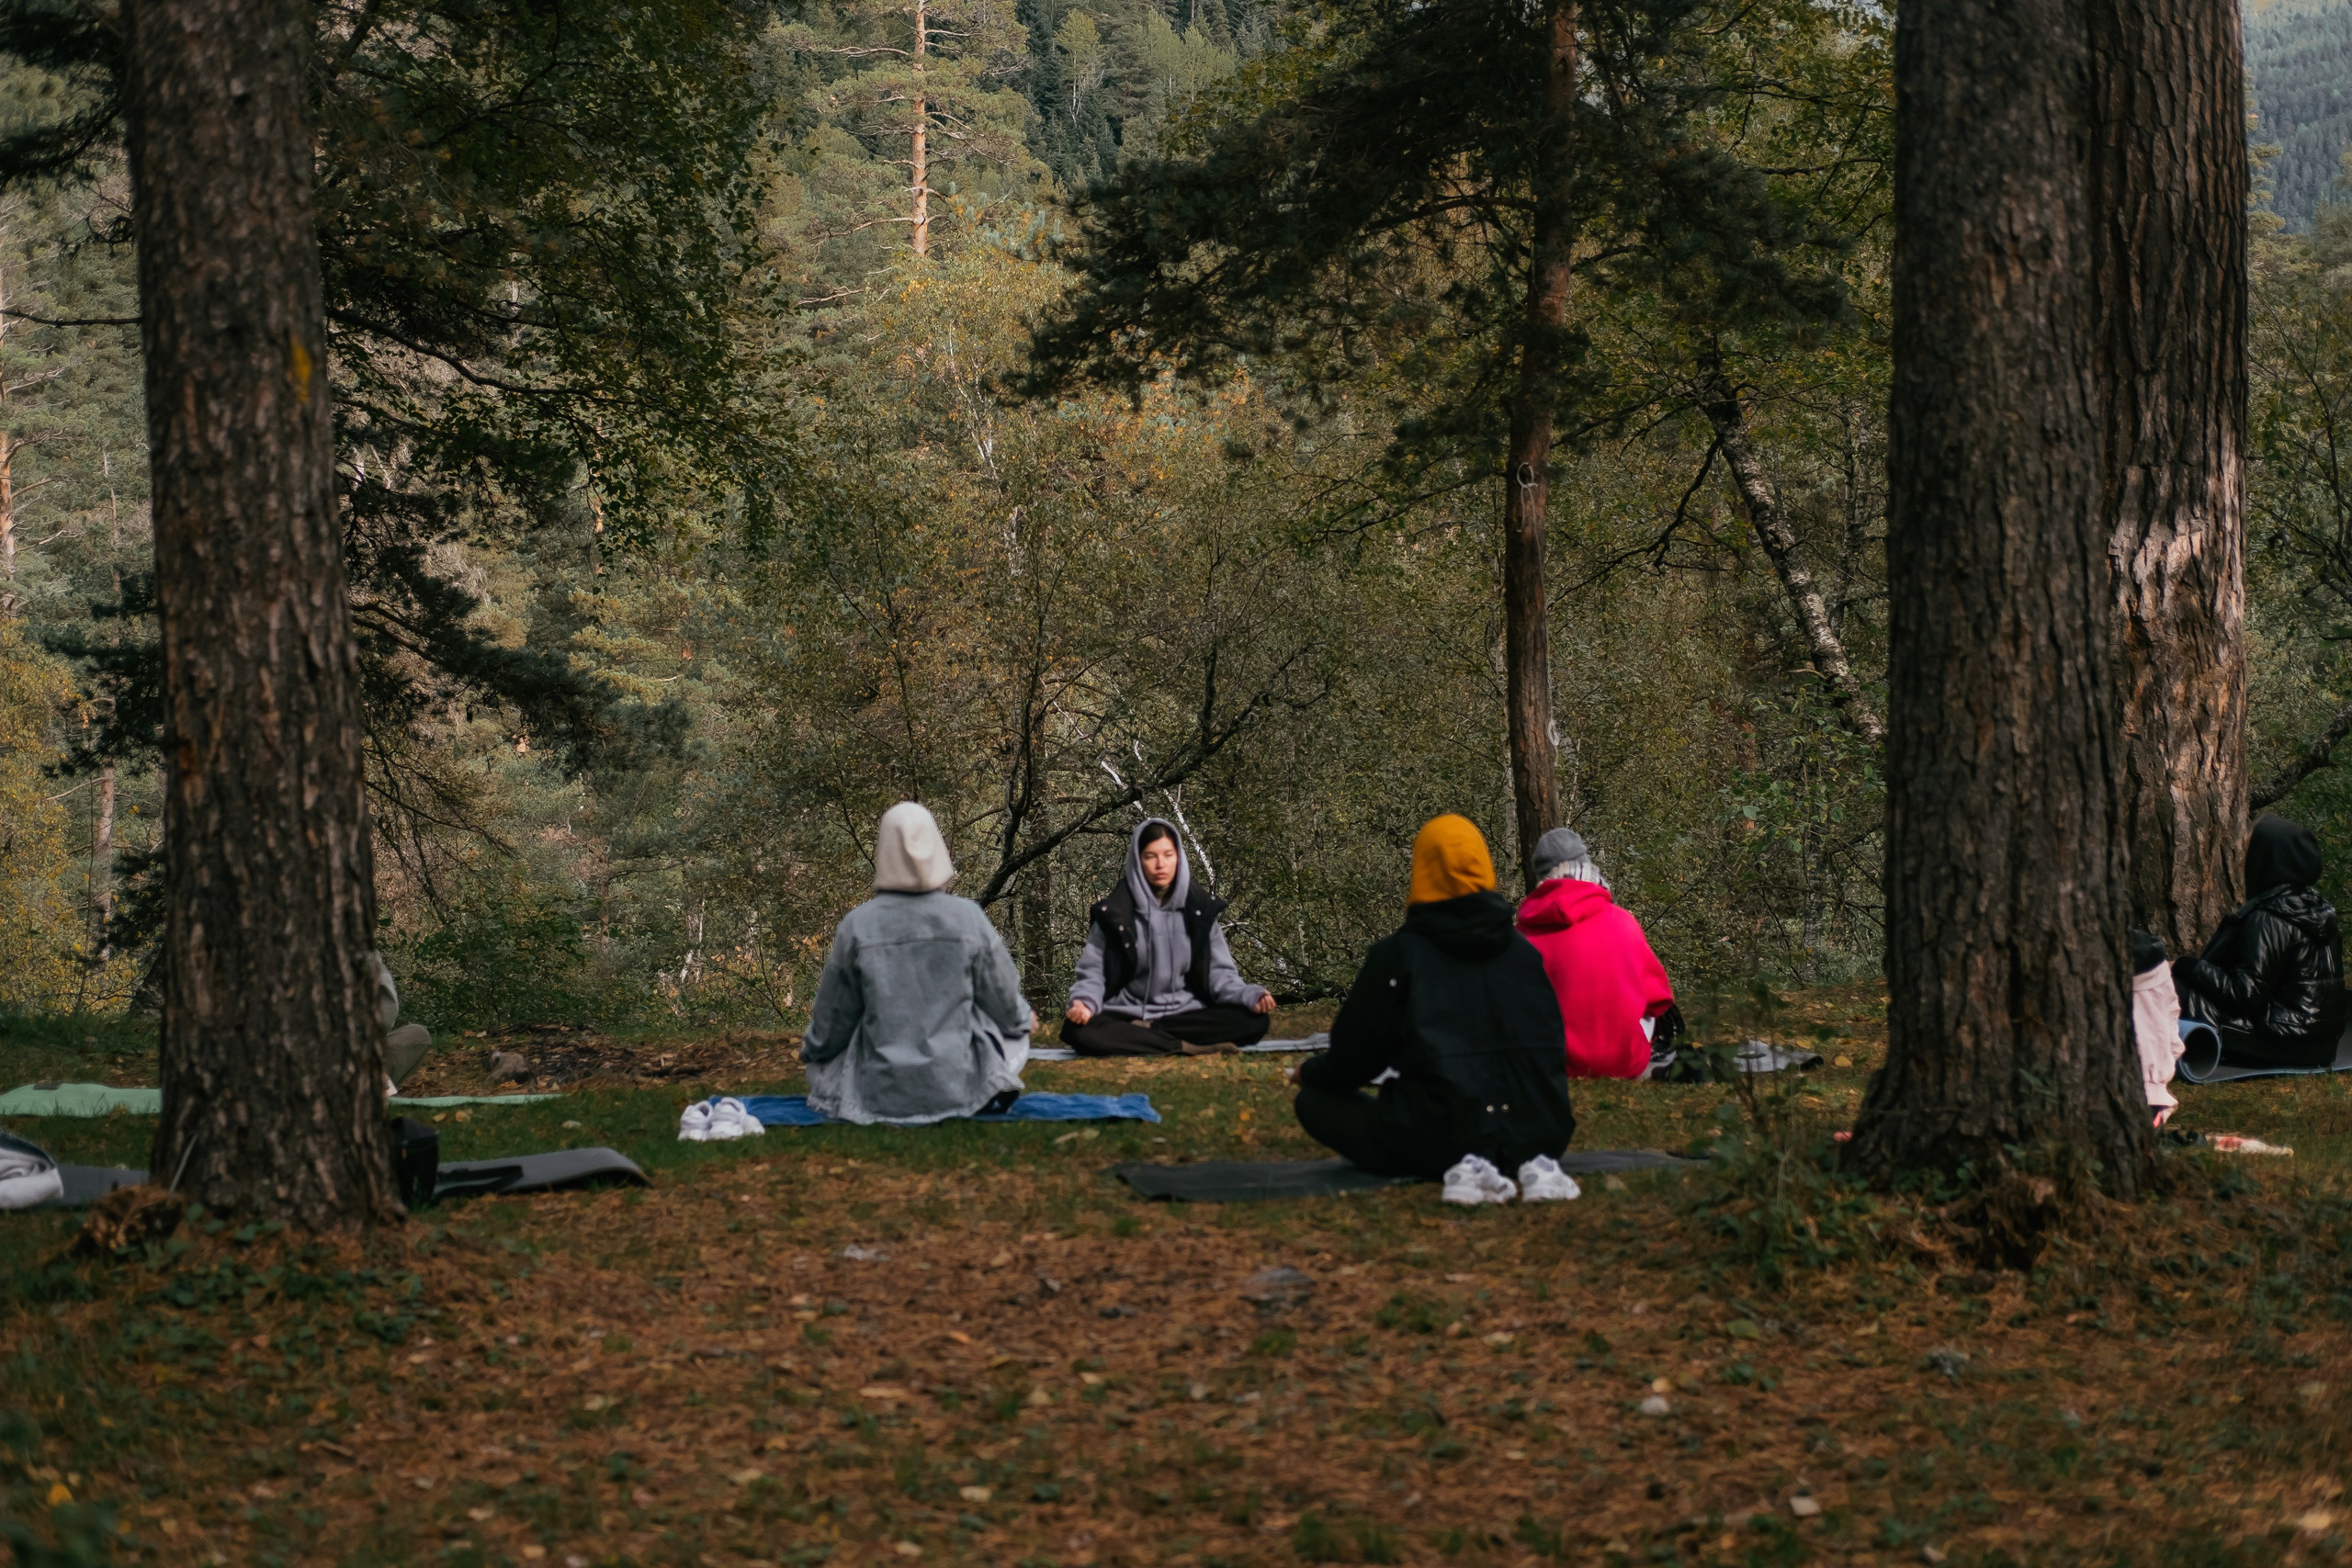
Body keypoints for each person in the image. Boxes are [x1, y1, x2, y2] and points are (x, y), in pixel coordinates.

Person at [1289, 814, 1580, 1203]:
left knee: (1315, 1101)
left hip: (1440, 1139)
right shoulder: (1525, 954)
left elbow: (1353, 1062)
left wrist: (1309, 1072)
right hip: (1539, 1138)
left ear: (1422, 871)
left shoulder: (1399, 956)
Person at [800, 802, 1034, 1124]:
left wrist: (812, 1054)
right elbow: (1007, 1010)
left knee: (822, 1059)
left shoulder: (858, 926)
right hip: (957, 1087)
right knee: (1012, 1026)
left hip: (879, 1093)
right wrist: (1023, 1020)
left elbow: (831, 1025)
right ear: (937, 847)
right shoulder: (968, 918)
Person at [1063, 818, 1276, 1056]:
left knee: (1255, 1021)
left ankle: (1149, 1037)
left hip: (1185, 1015)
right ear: (1137, 861)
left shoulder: (1199, 910)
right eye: (1150, 856)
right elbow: (1093, 974)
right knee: (1078, 1031)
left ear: (1179, 858)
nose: (1160, 864)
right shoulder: (1115, 913)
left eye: (1168, 854)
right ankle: (1182, 1046)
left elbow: (1220, 975)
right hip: (1127, 1013)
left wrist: (1250, 995)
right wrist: (1084, 1003)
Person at [2174, 814, 2347, 1070]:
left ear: (2267, 860)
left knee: (2174, 984)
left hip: (2280, 1043)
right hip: (2319, 1047)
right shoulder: (2317, 910)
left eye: (2248, 853)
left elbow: (2243, 995)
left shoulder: (2269, 917)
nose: (2241, 862)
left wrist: (2184, 966)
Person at [1513, 828, 1675, 1078]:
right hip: (1623, 1063)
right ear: (1587, 868)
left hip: (1551, 1064)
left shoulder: (1520, 936)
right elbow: (1658, 1000)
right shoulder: (1623, 922)